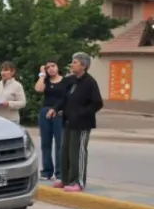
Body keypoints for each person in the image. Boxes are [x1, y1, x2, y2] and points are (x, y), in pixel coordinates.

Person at [48, 52, 104, 193]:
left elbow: (97, 103)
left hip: (82, 124)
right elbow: (65, 99)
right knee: (66, 151)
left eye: (75, 62)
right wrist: (55, 109)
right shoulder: (72, 80)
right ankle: (65, 179)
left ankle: (78, 181)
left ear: (83, 65)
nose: (72, 64)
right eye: (72, 62)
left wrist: (81, 113)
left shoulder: (90, 82)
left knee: (78, 152)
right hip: (68, 122)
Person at [34, 61, 69, 182]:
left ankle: (59, 173)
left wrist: (61, 110)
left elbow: (68, 98)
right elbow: (38, 89)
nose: (51, 69)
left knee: (60, 143)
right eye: (48, 67)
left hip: (59, 113)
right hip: (45, 112)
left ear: (58, 67)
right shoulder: (46, 81)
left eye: (53, 66)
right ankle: (47, 171)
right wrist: (42, 74)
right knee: (45, 143)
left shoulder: (65, 81)